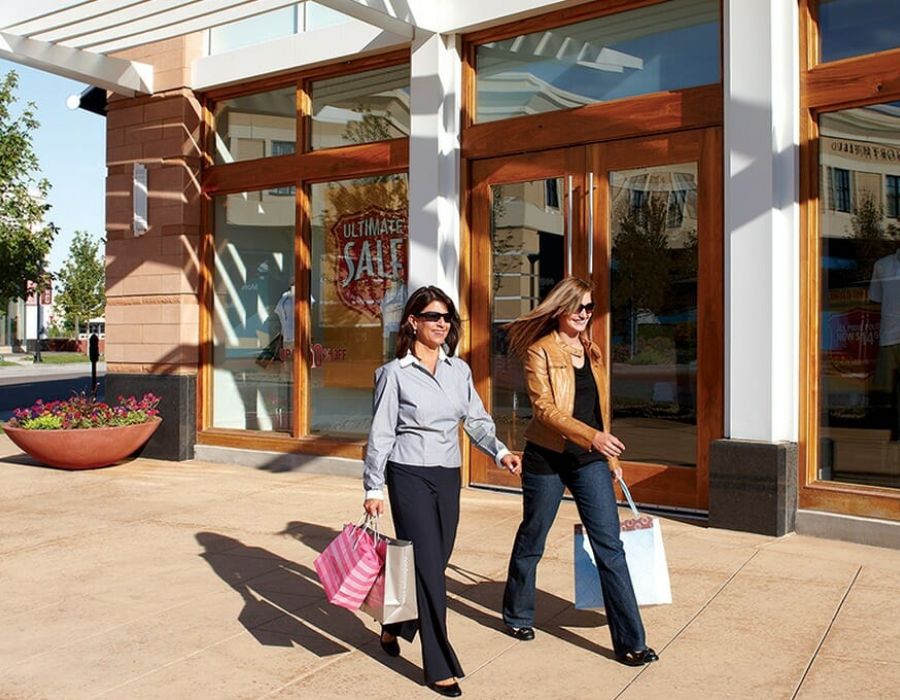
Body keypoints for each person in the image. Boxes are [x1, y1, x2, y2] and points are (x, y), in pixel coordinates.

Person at [363, 285, 522, 697]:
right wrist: (374, 487)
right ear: (413, 322)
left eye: (446, 317)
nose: (441, 324)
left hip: (447, 475)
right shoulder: (394, 374)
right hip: (408, 475)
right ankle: (438, 664)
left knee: (436, 558)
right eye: (433, 316)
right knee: (431, 569)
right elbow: (381, 434)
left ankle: (394, 623)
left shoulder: (459, 370)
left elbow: (476, 419)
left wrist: (501, 451)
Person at [500, 276, 658, 667]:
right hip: (548, 456)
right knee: (533, 536)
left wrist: (610, 459)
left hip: (589, 459)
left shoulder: (594, 351)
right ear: (561, 308)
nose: (585, 314)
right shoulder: (539, 352)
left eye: (590, 308)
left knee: (611, 546)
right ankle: (518, 614)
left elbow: (601, 410)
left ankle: (631, 642)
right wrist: (594, 438)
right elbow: (545, 410)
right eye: (579, 307)